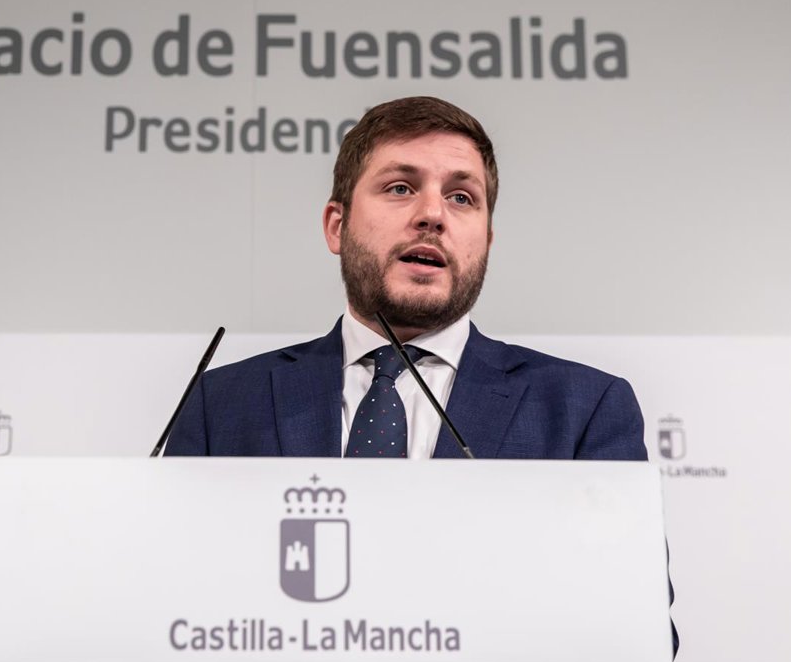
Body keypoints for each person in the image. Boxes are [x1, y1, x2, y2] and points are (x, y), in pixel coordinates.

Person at [164, 96, 647, 461]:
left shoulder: (584, 410)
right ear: (337, 226)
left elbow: (627, 570)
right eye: (400, 188)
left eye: (461, 197)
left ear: (486, 240)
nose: (433, 214)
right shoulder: (219, 405)